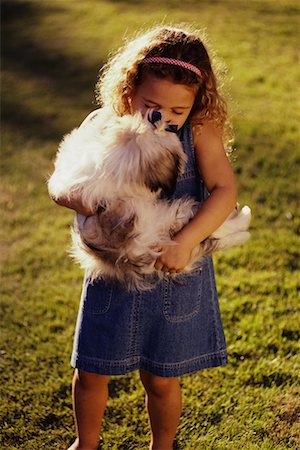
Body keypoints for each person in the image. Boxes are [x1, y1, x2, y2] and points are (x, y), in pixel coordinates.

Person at [52, 26, 237, 450]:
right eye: (151, 104)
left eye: (177, 109)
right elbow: (60, 184)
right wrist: (83, 200)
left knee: (161, 377)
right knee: (91, 369)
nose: (164, 117)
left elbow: (225, 191)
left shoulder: (200, 130)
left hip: (175, 272)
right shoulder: (104, 125)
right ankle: (87, 443)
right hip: (113, 273)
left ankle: (163, 444)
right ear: (129, 87)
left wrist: (187, 240)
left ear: (197, 102)